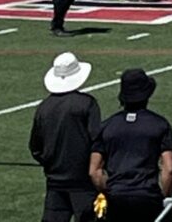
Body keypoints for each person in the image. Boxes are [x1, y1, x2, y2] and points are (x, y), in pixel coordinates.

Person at [89, 69, 172, 222]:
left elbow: (94, 171)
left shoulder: (107, 126)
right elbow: (169, 168)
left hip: (116, 197)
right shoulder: (160, 125)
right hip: (148, 196)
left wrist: (108, 190)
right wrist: (165, 196)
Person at [29, 52, 101, 222]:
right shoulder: (87, 103)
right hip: (82, 181)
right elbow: (97, 140)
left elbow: (35, 147)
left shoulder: (44, 107)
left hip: (55, 179)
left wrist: (51, 162)